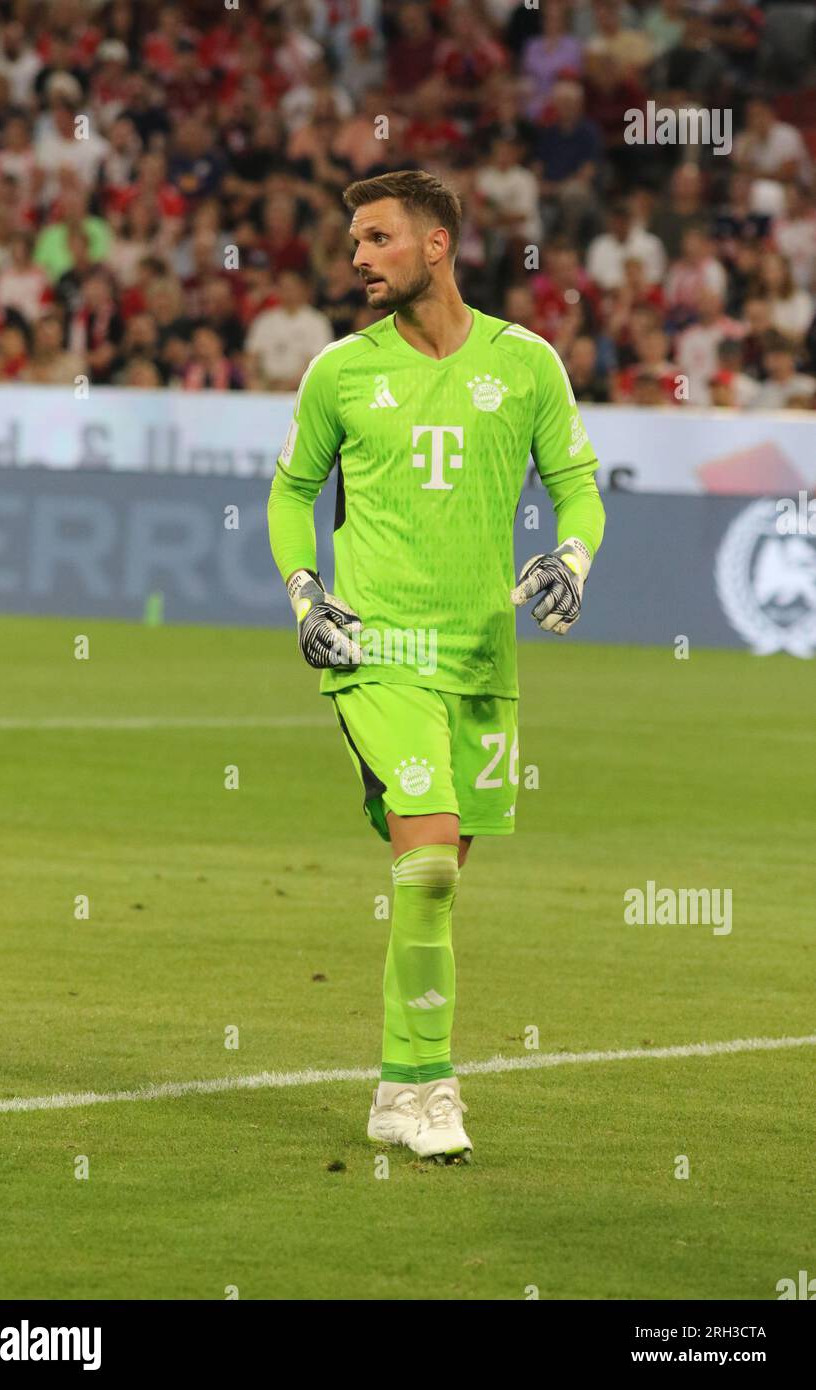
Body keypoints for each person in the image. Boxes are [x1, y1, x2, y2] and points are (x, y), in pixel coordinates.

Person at [266, 169, 605, 1162]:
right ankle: (432, 1086)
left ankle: (394, 1087)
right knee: (423, 864)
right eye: (353, 240)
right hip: (376, 652)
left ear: (434, 245)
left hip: (481, 660)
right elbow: (290, 492)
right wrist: (304, 593)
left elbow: (576, 485)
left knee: (436, 880)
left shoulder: (527, 362)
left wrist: (571, 557)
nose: (357, 257)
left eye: (375, 238)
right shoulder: (338, 371)